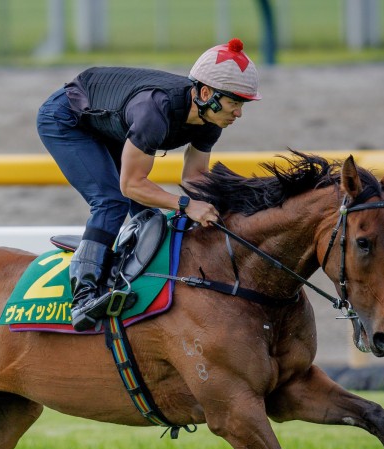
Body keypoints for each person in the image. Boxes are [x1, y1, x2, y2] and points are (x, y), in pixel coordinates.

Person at [37, 38, 261, 331]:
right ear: (207, 93)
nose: (239, 113)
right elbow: (130, 185)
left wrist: (227, 205)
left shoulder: (209, 118)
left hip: (110, 120)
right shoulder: (155, 110)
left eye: (242, 104)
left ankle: (129, 281)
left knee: (150, 217)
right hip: (67, 119)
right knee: (112, 200)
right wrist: (186, 205)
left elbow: (193, 178)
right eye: (234, 102)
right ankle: (84, 298)